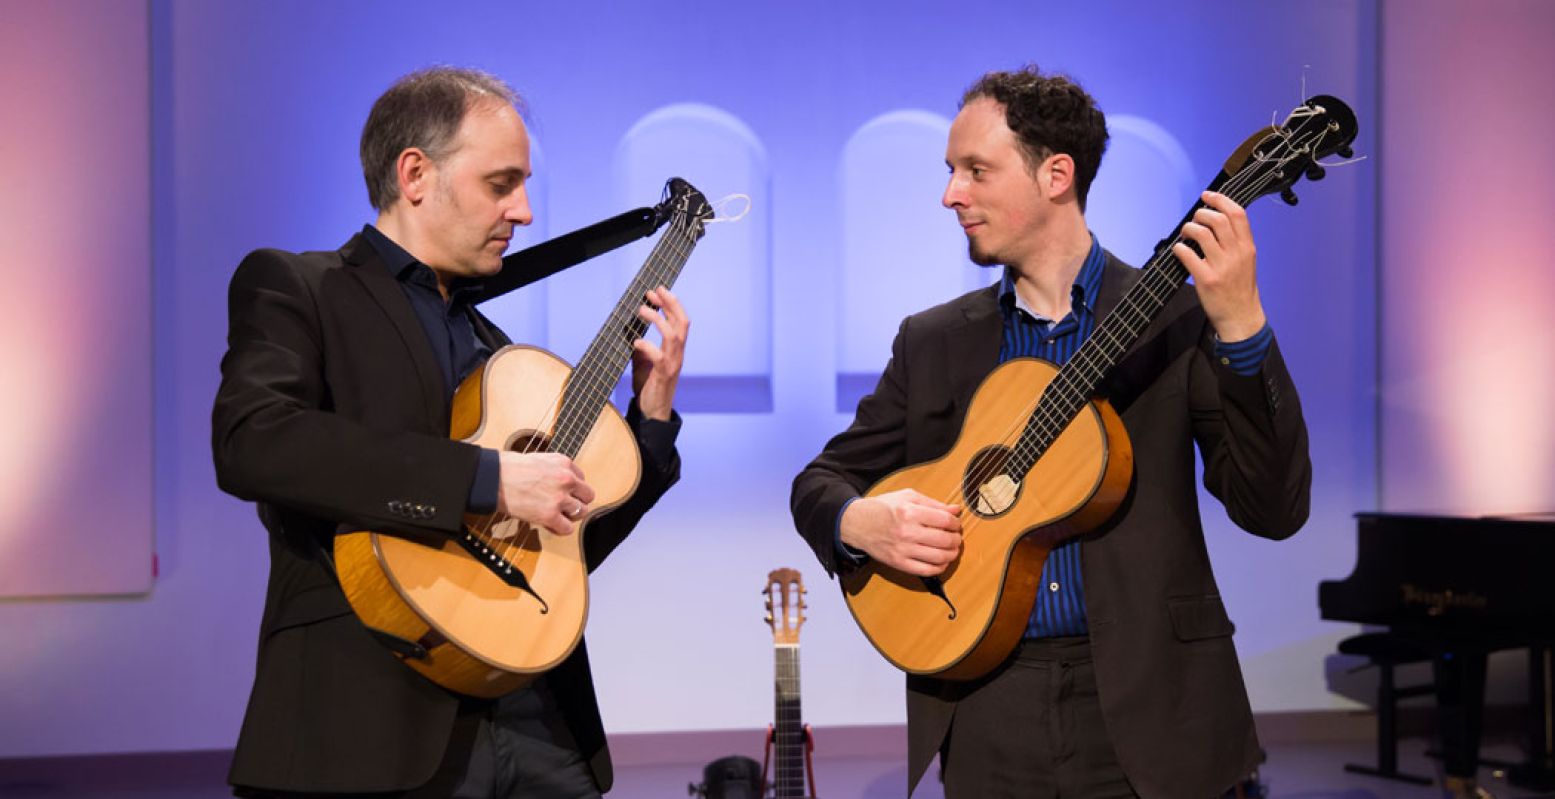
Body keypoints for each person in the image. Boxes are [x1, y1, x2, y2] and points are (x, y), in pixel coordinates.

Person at [790, 66, 1311, 798]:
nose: (950, 195)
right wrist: (861, 520)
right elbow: (818, 482)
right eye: (949, 172)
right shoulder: (933, 341)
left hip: (1154, 702)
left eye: (975, 170)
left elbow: (1274, 508)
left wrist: (1242, 326)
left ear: (1055, 175)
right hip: (986, 704)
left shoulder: (1177, 321)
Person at [212, 66, 689, 798]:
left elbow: (563, 544)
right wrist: (487, 478)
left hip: (539, 728)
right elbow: (255, 440)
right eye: (501, 184)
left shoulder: (492, 342)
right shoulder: (299, 287)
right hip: (366, 719)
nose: (525, 211)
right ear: (414, 174)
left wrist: (650, 419)